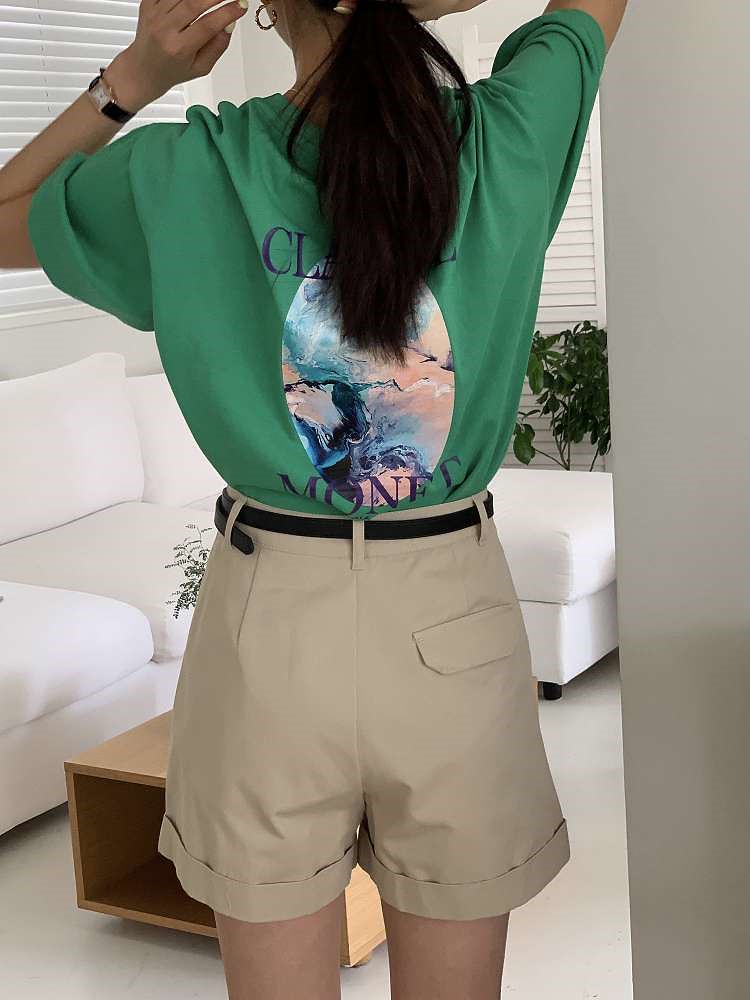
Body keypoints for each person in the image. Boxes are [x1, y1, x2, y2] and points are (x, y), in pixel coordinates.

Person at [1, 0, 627, 995]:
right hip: (450, 609)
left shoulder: (188, 167)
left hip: (268, 621)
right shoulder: (508, 133)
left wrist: (132, 80)